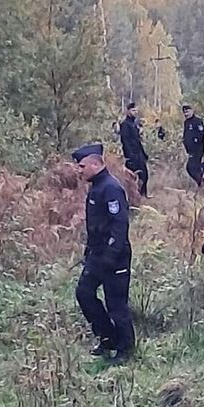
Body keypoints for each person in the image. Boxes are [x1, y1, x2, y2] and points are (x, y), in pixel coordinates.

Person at [71, 141, 136, 364]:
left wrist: (111, 255)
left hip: (115, 257)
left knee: (116, 304)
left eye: (82, 166)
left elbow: (120, 225)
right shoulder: (96, 188)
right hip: (97, 255)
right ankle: (107, 338)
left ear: (96, 164)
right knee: (84, 293)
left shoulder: (111, 188)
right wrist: (89, 251)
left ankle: (126, 349)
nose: (79, 171)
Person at [119, 102, 149, 197]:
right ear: (128, 111)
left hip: (139, 153)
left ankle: (143, 195)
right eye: (133, 110)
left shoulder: (134, 123)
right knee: (133, 177)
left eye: (136, 110)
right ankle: (134, 197)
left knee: (144, 175)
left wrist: (144, 154)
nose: (135, 112)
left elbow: (138, 141)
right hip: (132, 155)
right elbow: (125, 141)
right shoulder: (125, 125)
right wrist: (130, 156)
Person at [182, 104, 204, 186]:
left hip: (197, 150)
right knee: (194, 167)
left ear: (192, 111)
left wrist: (196, 142)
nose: (186, 114)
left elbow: (201, 133)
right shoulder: (186, 123)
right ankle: (202, 182)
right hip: (190, 151)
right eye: (185, 113)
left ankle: (201, 182)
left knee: (190, 167)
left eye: (188, 112)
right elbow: (185, 135)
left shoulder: (197, 121)